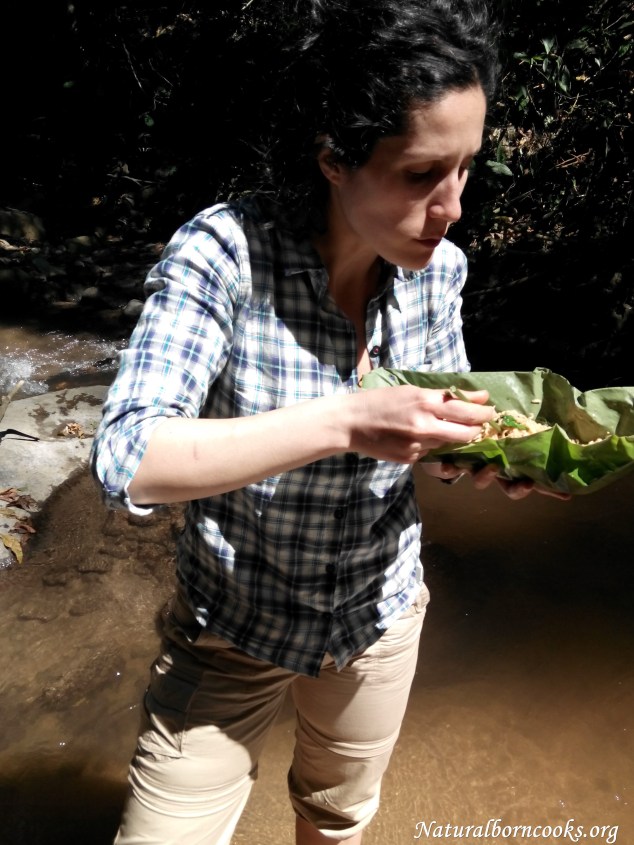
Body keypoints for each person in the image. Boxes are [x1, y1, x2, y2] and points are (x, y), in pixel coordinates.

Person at [90, 1, 524, 842]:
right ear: (333, 157)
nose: (452, 207)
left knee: (336, 819)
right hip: (229, 630)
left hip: (377, 620)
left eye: (466, 168)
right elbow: (128, 457)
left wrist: (493, 456)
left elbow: (437, 429)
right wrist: (347, 419)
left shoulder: (440, 271)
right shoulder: (225, 254)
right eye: (420, 174)